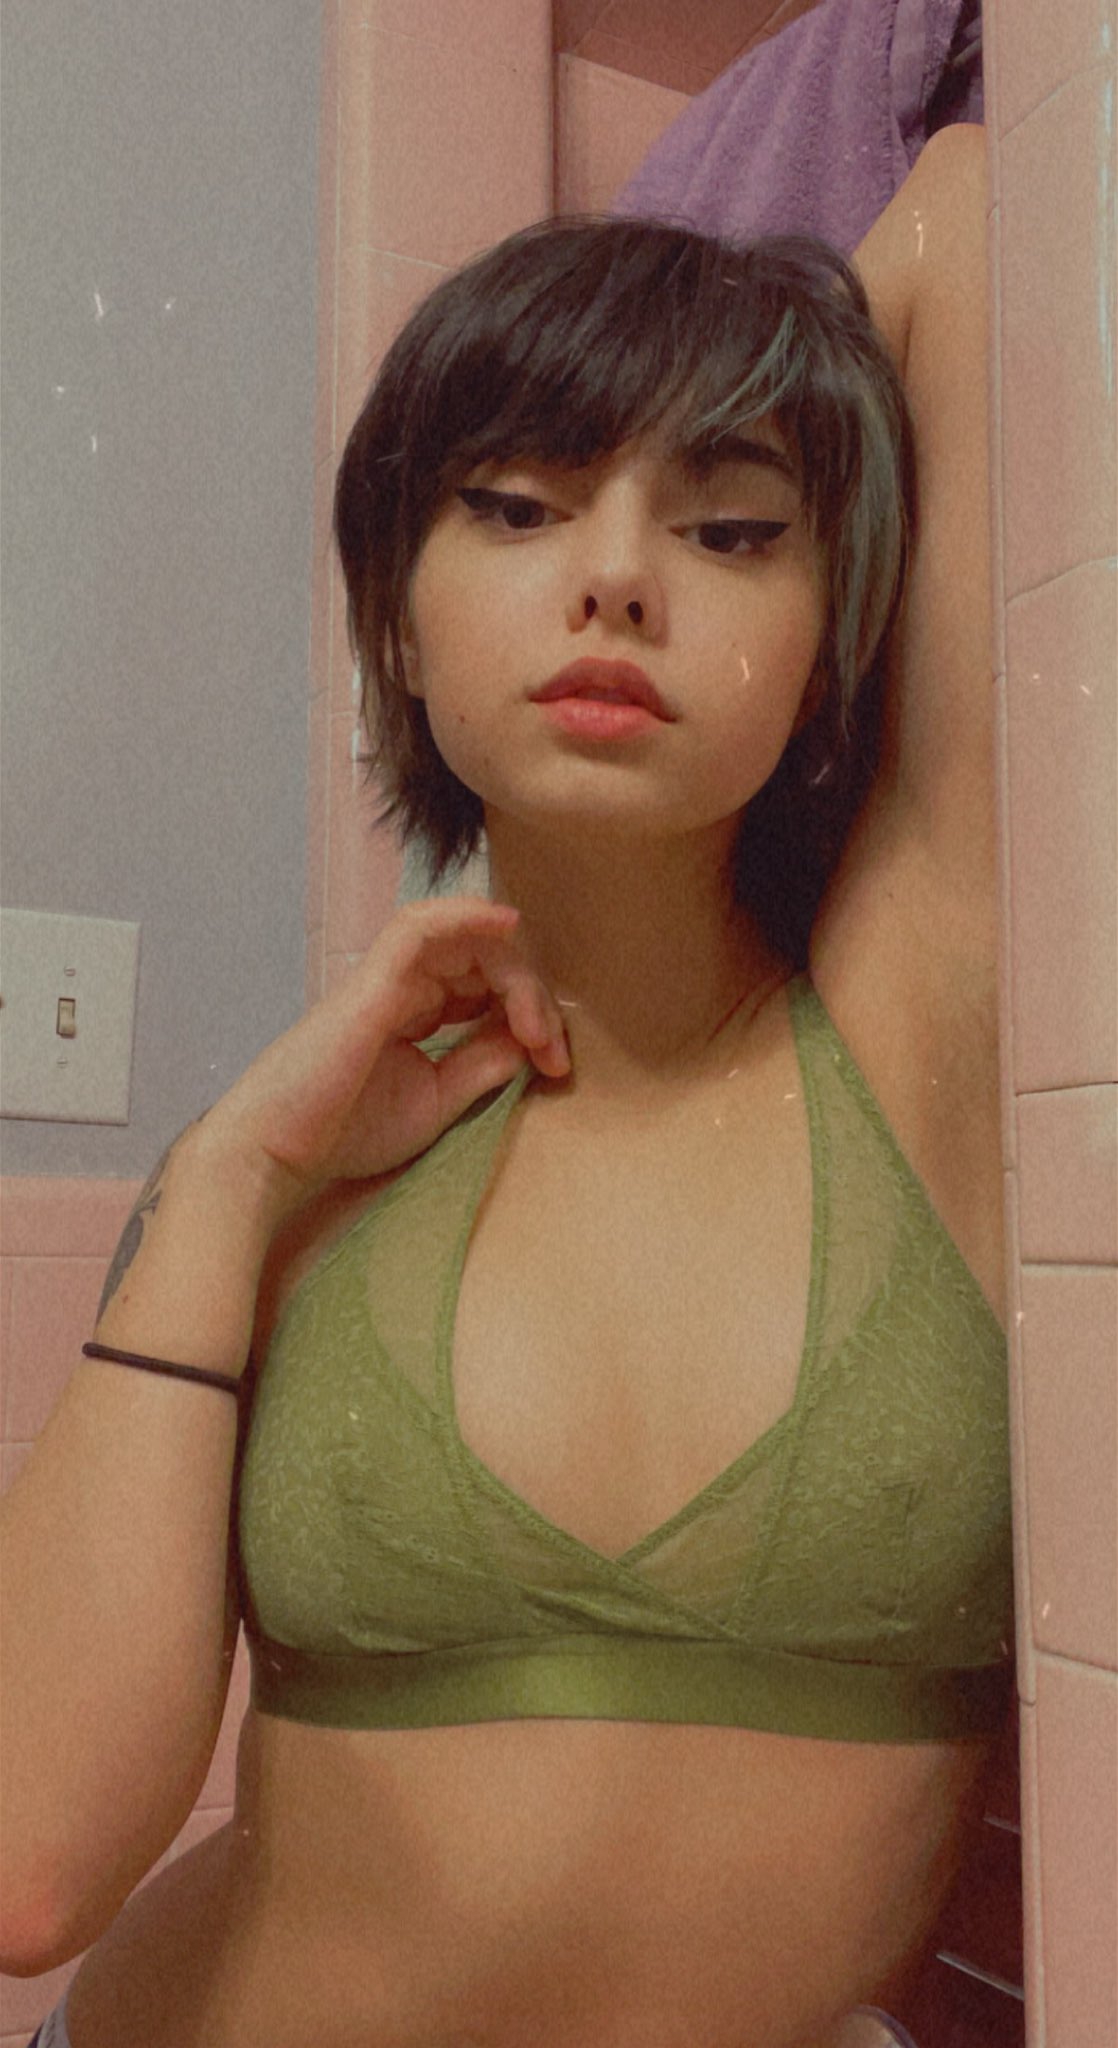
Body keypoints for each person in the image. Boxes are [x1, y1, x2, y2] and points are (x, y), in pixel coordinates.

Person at [3, 122, 1013, 2048]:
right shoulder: (288, 1173)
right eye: (519, 505)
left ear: (834, 640)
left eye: (732, 530)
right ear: (396, 617)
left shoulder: (920, 1055)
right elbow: (29, 1865)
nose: (617, 577)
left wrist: (757, 340)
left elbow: (973, 200)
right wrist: (222, 1181)